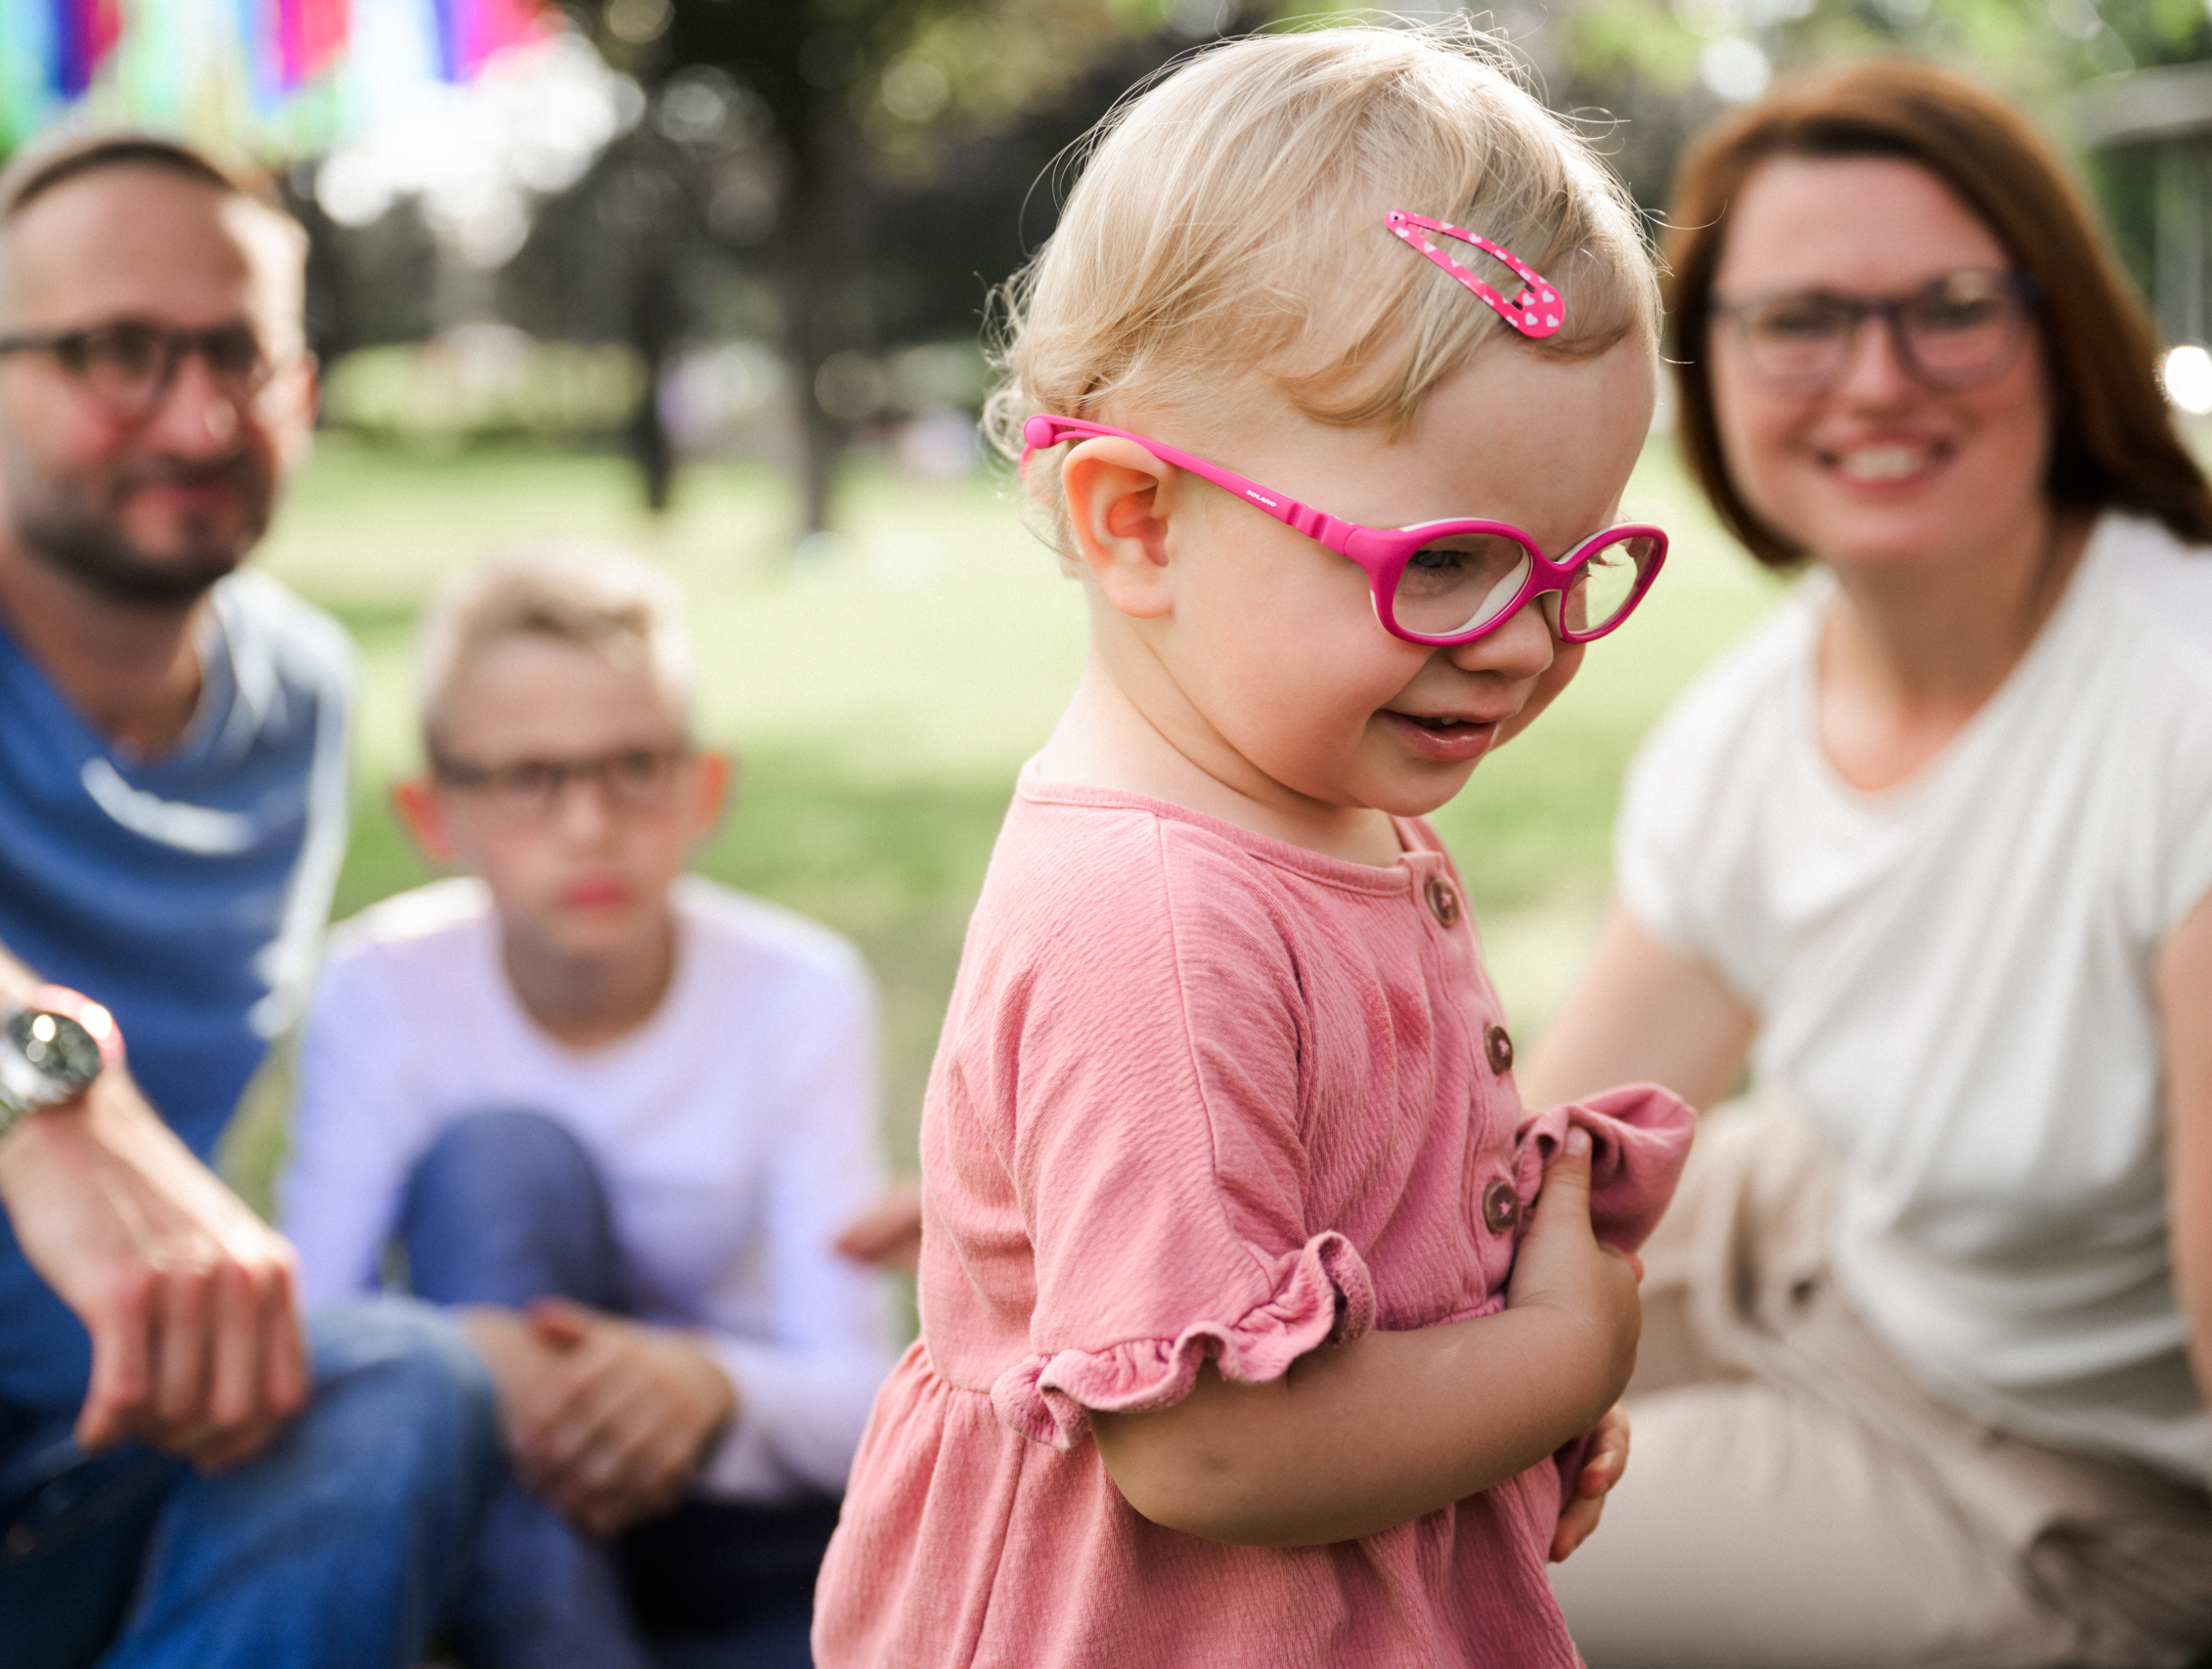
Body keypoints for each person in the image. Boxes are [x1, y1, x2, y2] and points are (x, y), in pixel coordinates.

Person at [810, 27, 1701, 1669]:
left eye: (1576, 564)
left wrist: (1479, 1413)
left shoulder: (1327, 801)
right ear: (1136, 521)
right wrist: (1561, 1358)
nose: (1521, 643)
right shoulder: (1151, 916)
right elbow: (1214, 1447)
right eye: (1447, 562)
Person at [0, 131, 496, 1669]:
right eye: (116, 354)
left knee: (406, 1379)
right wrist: (44, 1094)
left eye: (241, 358)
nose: (196, 415)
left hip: (58, 1471)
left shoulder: (301, 694)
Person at [1524, 60, 2212, 1668]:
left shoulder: (2185, 703)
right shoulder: (1763, 709)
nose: (1879, 376)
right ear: (1716, 365)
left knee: (1423, 1578)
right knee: (1347, 1381)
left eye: (1952, 306)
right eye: (1802, 320)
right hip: (1834, 1239)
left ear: (2059, 337)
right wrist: (1197, 1180)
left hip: (2063, 1493)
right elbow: (1539, 1157)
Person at [282, 545, 895, 1669]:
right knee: (501, 1161)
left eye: (632, 767)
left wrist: (705, 1388)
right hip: (508, 1514)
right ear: (432, 814)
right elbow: (309, 1342)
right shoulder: (382, 986)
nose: (587, 825)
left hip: (741, 1523)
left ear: (704, 785)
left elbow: (866, 1404)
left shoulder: (797, 994)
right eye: (526, 779)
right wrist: (474, 1359)